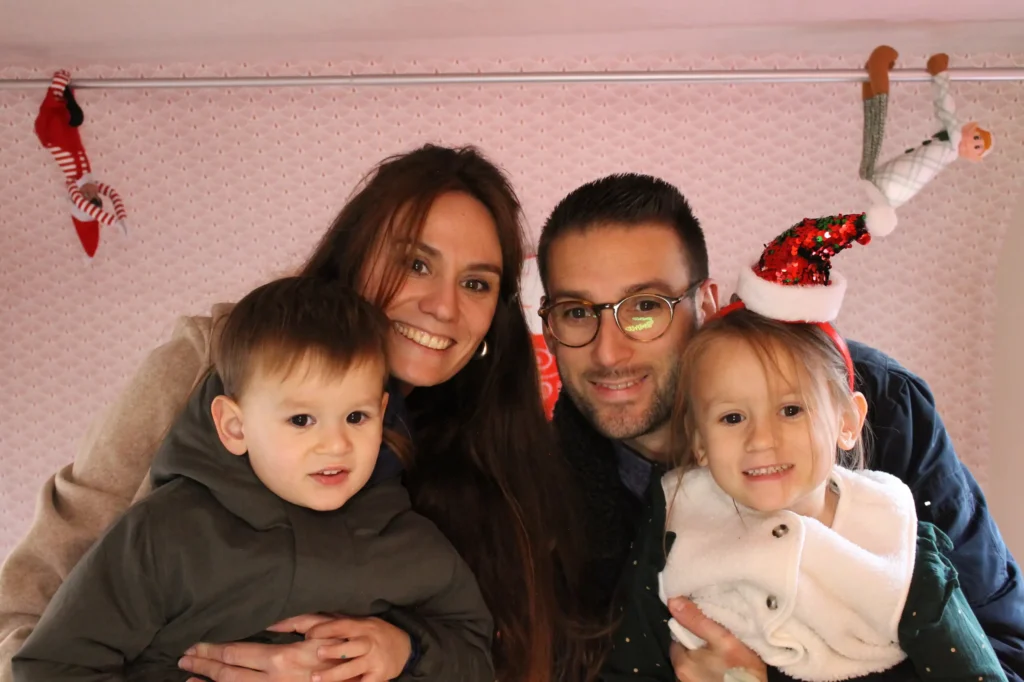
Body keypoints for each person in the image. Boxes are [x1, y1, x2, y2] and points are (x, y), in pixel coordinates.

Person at [0, 144, 590, 682]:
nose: (443, 306)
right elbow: (23, 618)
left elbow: (483, 655)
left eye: (477, 284)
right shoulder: (212, 361)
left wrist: (403, 650)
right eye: (416, 264)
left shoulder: (491, 452)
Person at [534, 173, 1024, 682]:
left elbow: (1003, 651)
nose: (609, 352)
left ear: (706, 305)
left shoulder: (880, 406)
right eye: (576, 312)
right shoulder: (539, 490)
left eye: (644, 307)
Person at [12, 277, 494, 682]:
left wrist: (406, 649)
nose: (336, 445)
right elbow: (51, 667)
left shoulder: (412, 544)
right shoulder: (164, 536)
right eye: (301, 420)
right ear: (235, 427)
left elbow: (475, 653)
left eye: (356, 417)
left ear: (383, 415)